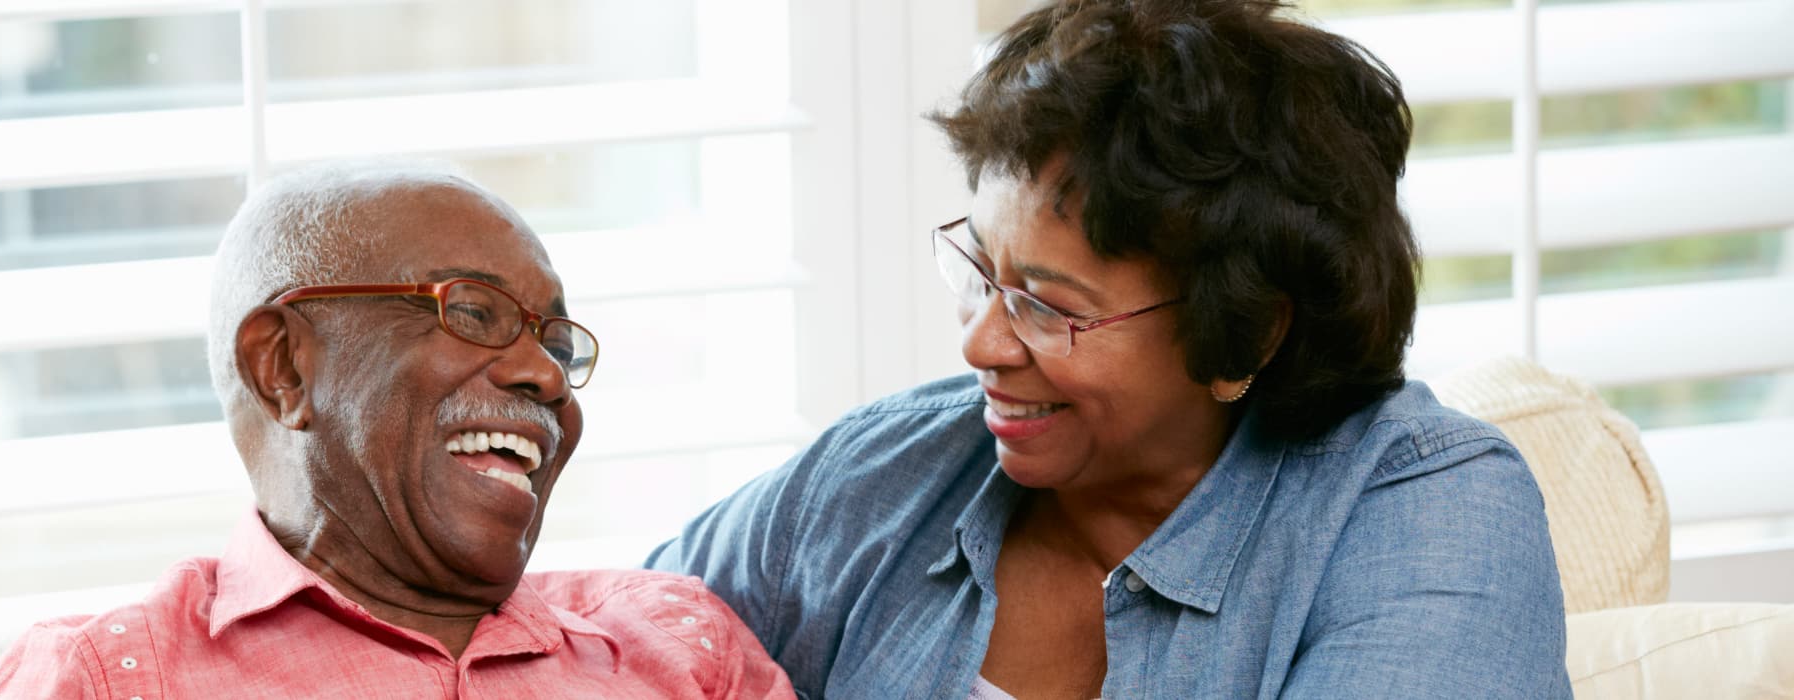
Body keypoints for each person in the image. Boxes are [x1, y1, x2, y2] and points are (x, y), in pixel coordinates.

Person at [645, 0, 1572, 697]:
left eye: (1047, 307)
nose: (980, 343)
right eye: (981, 270)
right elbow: (601, 649)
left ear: (1246, 329)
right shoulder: (875, 475)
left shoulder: (1432, 515)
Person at [0, 161, 793, 699]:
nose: (545, 377)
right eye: (474, 311)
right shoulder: (115, 679)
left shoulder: (678, 646)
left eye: (555, 343)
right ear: (284, 368)